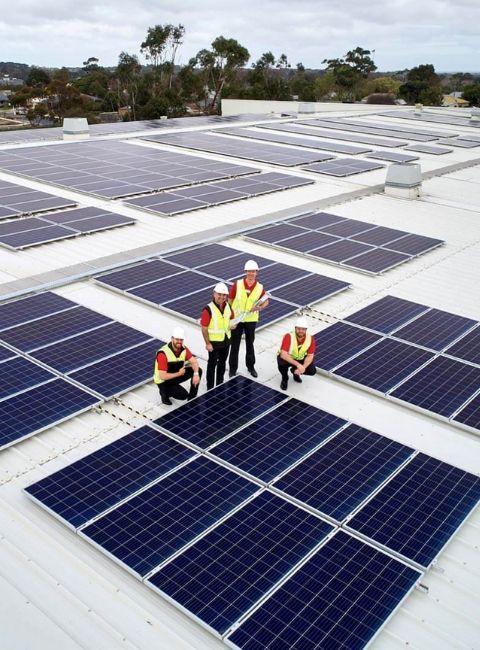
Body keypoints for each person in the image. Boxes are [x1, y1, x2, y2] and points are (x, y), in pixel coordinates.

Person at [228, 259, 269, 378]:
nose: (251, 273)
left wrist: (258, 308)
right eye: (249, 271)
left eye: (253, 271)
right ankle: (232, 369)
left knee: (250, 344)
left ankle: (251, 367)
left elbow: (266, 301)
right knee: (234, 345)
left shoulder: (260, 287)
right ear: (245, 272)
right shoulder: (238, 284)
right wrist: (231, 317)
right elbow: (230, 301)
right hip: (237, 319)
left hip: (251, 320)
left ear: (256, 273)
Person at [153, 327, 202, 405]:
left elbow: (194, 362)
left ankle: (192, 397)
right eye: (177, 339)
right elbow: (162, 376)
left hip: (176, 374)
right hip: (164, 381)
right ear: (172, 338)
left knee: (198, 370)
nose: (179, 342)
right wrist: (179, 374)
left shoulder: (184, 349)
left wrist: (196, 374)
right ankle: (164, 393)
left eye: (181, 339)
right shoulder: (163, 354)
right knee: (183, 396)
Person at [201, 282, 235, 390]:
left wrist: (233, 325)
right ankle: (210, 388)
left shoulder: (228, 306)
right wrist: (208, 344)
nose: (222, 297)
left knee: (222, 364)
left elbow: (231, 319)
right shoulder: (208, 309)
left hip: (226, 341)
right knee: (212, 366)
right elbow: (204, 328)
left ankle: (219, 385)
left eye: (224, 295)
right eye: (219, 294)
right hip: (214, 344)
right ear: (214, 294)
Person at [277, 317, 316, 390]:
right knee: (281, 364)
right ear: (295, 328)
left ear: (306, 329)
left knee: (312, 371)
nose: (300, 331)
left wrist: (303, 367)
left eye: (303, 329)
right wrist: (298, 365)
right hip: (288, 358)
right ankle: (285, 378)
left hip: (300, 359)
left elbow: (310, 355)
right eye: (298, 329)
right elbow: (283, 354)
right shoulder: (289, 336)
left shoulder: (310, 338)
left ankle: (295, 372)